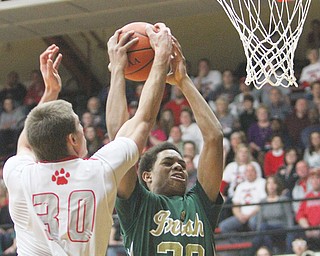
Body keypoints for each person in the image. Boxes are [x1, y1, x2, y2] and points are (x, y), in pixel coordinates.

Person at [3, 22, 171, 255]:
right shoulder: (100, 170)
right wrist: (161, 57)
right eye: (79, 125)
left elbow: (25, 142)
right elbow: (143, 119)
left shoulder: (18, 175)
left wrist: (49, 93)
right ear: (72, 139)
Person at [107, 36, 224, 255]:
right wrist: (117, 72)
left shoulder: (200, 203)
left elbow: (214, 137)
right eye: (168, 163)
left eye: (180, 163)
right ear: (147, 176)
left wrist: (183, 80)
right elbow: (119, 139)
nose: (178, 166)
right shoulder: (138, 205)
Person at [251, 176, 294, 255]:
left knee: (263, 229)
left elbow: (289, 217)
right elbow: (260, 221)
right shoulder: (262, 201)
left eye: (273, 183)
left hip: (282, 228)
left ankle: (250, 252)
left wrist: (290, 231)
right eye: (269, 183)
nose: (271, 185)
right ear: (266, 186)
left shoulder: (283, 200)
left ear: (277, 185)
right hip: (268, 230)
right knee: (263, 230)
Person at [219, 163, 266, 233]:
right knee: (223, 226)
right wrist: (239, 216)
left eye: (252, 171)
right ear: (245, 173)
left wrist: (248, 216)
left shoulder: (262, 183)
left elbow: (262, 203)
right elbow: (235, 204)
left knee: (253, 223)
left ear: (256, 172)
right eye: (247, 171)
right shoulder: (240, 186)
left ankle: (254, 243)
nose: (250, 173)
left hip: (256, 214)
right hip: (241, 215)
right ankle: (236, 242)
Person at [295, 168, 320, 249]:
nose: (315, 181)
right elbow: (300, 215)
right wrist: (307, 228)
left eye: (318, 178)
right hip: (309, 230)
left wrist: (317, 229)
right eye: (312, 178)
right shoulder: (307, 197)